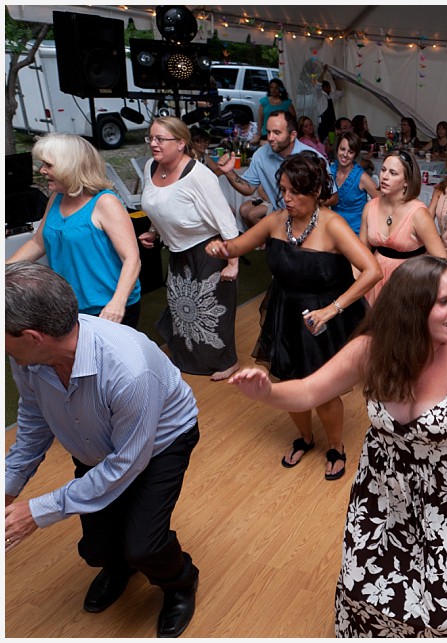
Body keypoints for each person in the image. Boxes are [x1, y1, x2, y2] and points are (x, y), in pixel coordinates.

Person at [228, 255, 447, 636]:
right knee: (365, 587)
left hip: (445, 500)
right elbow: (309, 390)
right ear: (410, 306)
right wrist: (267, 392)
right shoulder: (370, 350)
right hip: (380, 489)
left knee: (437, 604)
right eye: (445, 301)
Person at [5, 262, 201, 638]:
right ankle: (118, 567)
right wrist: (8, 490)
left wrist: (37, 510)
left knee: (144, 546)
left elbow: (127, 464)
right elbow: (33, 423)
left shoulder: (129, 367)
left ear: (33, 336)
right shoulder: (26, 360)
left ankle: (180, 582)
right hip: (96, 445)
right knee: (97, 551)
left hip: (160, 444)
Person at [206, 152, 381, 476]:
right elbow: (236, 247)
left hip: (324, 320)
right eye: (283, 189)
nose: (286, 198)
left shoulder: (333, 225)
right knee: (288, 380)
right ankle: (304, 438)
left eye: (294, 192)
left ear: (315, 192)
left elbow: (372, 271)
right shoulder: (275, 221)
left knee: (323, 390)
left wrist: (332, 309)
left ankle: (336, 446)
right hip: (285, 312)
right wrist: (220, 248)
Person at [138, 117, 241, 381]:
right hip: (178, 251)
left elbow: (225, 219)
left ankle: (227, 361)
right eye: (151, 138)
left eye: (160, 139)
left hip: (210, 249)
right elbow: (159, 204)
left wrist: (233, 262)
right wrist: (154, 230)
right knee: (182, 307)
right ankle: (186, 358)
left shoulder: (199, 175)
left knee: (212, 309)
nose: (153, 144)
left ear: (181, 143)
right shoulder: (152, 167)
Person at [7, 132, 141, 328]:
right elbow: (38, 242)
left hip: (107, 308)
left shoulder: (105, 202)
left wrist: (117, 303)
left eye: (49, 165)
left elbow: (132, 259)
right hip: (69, 307)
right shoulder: (56, 197)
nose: (41, 170)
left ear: (70, 166)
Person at [360, 149, 445, 306]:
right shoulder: (370, 207)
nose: (385, 177)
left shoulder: (418, 214)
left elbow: (441, 261)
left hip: (408, 285)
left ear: (406, 181)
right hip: (374, 283)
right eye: (383, 170)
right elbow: (360, 255)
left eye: (393, 173)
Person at [219, 110, 324, 229]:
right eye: (268, 132)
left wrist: (301, 206)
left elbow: (332, 197)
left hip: (308, 220)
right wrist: (229, 172)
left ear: (292, 135)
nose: (270, 138)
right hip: (278, 217)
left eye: (277, 133)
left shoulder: (312, 158)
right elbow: (248, 188)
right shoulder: (260, 155)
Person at [329, 131, 380, 234]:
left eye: (350, 152)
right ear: (337, 149)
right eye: (342, 149)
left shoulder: (362, 177)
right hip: (333, 230)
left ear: (355, 154)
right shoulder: (330, 171)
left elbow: (382, 202)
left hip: (355, 233)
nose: (345, 154)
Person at [256, 78, 295, 144]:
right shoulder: (264, 101)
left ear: (280, 89)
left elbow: (293, 120)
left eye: (276, 88)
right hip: (267, 134)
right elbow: (260, 121)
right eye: (271, 87)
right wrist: (259, 135)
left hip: (283, 134)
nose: (273, 90)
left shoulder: (287, 102)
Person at [315, 66, 342, 144]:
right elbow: (318, 83)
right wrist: (323, 71)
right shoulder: (318, 96)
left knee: (332, 142)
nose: (330, 90)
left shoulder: (329, 97)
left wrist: (335, 79)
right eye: (329, 88)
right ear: (324, 87)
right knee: (323, 142)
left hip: (331, 124)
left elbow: (339, 91)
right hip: (322, 124)